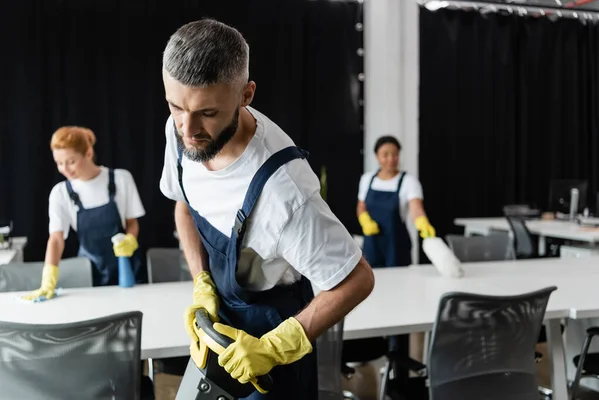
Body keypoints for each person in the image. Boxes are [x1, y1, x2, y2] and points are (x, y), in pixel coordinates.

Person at [159, 19, 374, 399]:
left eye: (207, 113)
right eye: (176, 107)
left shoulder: (284, 191)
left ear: (246, 95)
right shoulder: (181, 133)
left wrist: (276, 347)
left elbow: (356, 280)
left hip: (270, 346)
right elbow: (184, 204)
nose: (188, 129)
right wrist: (201, 283)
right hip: (219, 325)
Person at [23, 126, 147, 301]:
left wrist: (130, 239)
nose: (64, 169)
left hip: (126, 266)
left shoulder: (120, 179)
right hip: (88, 273)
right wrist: (48, 279)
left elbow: (132, 223)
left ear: (88, 153)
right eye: (59, 163)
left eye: (71, 161)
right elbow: (56, 239)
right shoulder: (60, 192)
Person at [357, 136, 436, 268]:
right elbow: (361, 206)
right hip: (371, 244)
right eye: (385, 155)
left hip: (397, 246)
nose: (391, 159)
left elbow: (416, 209)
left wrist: (423, 223)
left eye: (395, 155)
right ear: (377, 156)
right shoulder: (367, 179)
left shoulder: (408, 181)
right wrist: (364, 219)